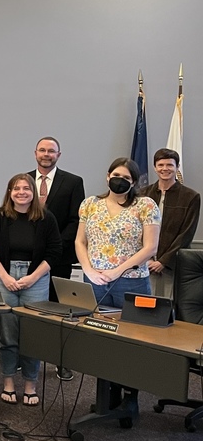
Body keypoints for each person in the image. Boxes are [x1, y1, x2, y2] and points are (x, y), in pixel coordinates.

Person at [76, 157, 160, 416]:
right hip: (96, 282)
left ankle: (130, 397)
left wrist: (117, 270)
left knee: (131, 343)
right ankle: (108, 395)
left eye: (126, 177)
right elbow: (80, 242)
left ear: (133, 182)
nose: (119, 180)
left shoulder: (145, 205)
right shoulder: (90, 204)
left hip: (131, 283)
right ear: (107, 176)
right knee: (101, 341)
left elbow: (151, 247)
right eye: (115, 175)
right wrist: (89, 270)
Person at [0, 173, 61, 406]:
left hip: (36, 278)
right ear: (9, 192)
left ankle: (30, 385)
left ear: (33, 192)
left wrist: (33, 278)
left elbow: (54, 252)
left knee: (31, 334)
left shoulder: (46, 218)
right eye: (16, 188)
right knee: (7, 334)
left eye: (26, 188)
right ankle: (7, 382)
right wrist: (5, 277)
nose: (21, 192)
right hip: (2, 276)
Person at [27, 136, 85, 381]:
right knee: (30, 310)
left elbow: (76, 219)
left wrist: (55, 246)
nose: (46, 154)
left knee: (58, 310)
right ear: (35, 153)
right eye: (42, 150)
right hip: (28, 257)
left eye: (51, 151)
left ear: (58, 155)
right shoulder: (24, 180)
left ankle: (61, 361)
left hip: (59, 256)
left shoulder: (72, 182)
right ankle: (27, 358)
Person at [143, 148, 200, 298]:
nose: (165, 169)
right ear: (155, 167)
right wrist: (146, 257)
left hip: (172, 264)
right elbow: (137, 229)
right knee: (142, 305)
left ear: (177, 167)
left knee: (167, 307)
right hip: (144, 263)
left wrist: (163, 261)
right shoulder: (142, 194)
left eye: (169, 165)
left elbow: (186, 233)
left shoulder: (191, 197)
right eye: (161, 165)